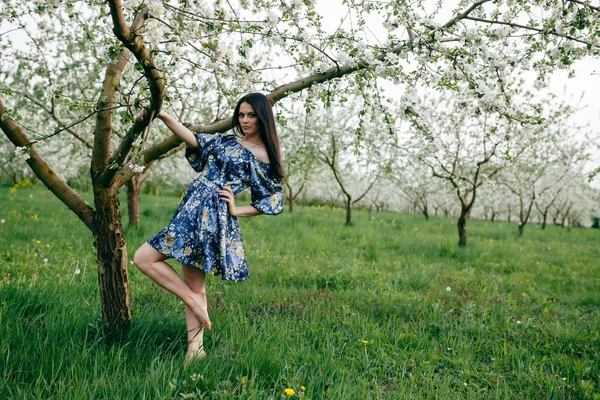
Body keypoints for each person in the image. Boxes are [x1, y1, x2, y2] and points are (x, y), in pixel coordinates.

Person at [133, 93, 284, 361]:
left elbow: (271, 200)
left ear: (263, 118)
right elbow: (193, 139)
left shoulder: (264, 157)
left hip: (214, 216)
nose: (245, 120)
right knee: (143, 258)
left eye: (251, 115)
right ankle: (191, 301)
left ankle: (195, 349)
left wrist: (236, 209)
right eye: (241, 114)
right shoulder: (227, 140)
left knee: (194, 281)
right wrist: (164, 115)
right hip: (191, 207)